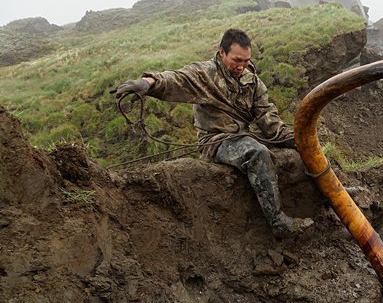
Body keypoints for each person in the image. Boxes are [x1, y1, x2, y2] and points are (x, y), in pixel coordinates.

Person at [112, 28, 313, 238]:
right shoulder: (203, 75)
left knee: (306, 143)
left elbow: (267, 118)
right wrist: (147, 83)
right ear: (221, 52)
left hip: (244, 136)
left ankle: (332, 194)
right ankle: (278, 222)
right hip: (216, 142)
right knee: (257, 153)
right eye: (237, 60)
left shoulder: (252, 81)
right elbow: (177, 78)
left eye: (246, 61)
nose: (241, 66)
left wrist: (294, 139)